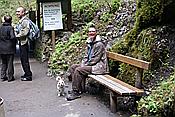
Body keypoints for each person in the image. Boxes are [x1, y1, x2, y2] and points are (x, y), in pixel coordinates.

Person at [66, 26, 109, 101]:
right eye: (90, 31)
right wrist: (83, 64)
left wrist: (84, 65)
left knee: (78, 70)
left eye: (93, 31)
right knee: (73, 67)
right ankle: (80, 89)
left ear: (96, 33)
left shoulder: (99, 44)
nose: (91, 33)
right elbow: (86, 56)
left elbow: (95, 59)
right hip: (91, 65)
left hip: (99, 66)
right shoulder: (90, 43)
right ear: (88, 33)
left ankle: (75, 92)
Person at [15, 6, 32, 81]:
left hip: (24, 43)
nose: (17, 13)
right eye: (17, 12)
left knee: (24, 60)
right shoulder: (22, 20)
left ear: (23, 12)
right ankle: (26, 73)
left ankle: (28, 76)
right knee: (23, 59)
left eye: (19, 12)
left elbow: (25, 32)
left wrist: (16, 36)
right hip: (22, 42)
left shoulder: (25, 21)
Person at [0, 15, 16, 82]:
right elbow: (12, 37)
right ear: (11, 20)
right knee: (10, 62)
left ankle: (3, 76)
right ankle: (10, 77)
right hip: (9, 48)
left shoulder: (0, 28)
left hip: (1, 48)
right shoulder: (10, 28)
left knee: (3, 62)